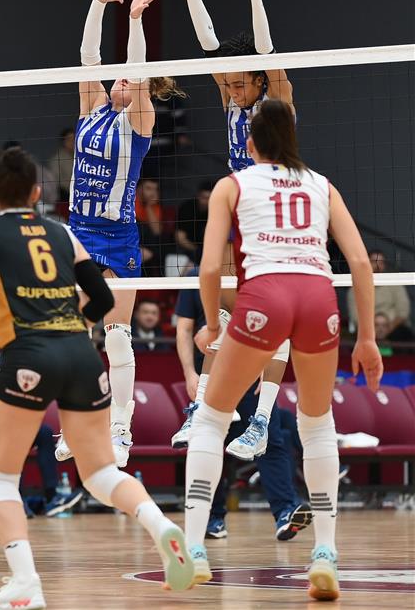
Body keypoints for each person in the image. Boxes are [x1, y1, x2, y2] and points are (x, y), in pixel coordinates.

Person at [0, 147, 192, 607]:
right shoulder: (63, 233)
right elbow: (103, 298)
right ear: (35, 192)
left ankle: (26, 582)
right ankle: (161, 525)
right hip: (80, 353)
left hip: (29, 354)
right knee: (100, 473)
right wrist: (68, 323)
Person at [182, 99, 382, 599]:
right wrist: (367, 338)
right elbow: (360, 263)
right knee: (317, 424)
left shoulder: (232, 184)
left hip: (264, 296)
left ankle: (194, 548)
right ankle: (325, 553)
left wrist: (212, 325)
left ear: (249, 144)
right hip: (318, 297)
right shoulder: (322, 185)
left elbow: (211, 268)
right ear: (293, 139)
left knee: (211, 418)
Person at [177, 0, 294, 459]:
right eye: (226, 84)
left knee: (275, 318)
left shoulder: (276, 101)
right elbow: (208, 48)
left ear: (257, 80)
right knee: (220, 313)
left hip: (274, 211)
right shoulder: (230, 94)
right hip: (236, 206)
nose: (229, 89)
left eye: (238, 84)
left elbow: (269, 56)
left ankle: (261, 420)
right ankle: (205, 409)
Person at [60, 0, 183, 467]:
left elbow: (139, 70)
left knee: (117, 333)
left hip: (118, 235)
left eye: (130, 81)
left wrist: (134, 20)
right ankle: (75, 424)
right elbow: (87, 57)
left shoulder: (139, 122)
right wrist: (98, 3)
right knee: (70, 331)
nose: (121, 81)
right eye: (119, 78)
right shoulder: (92, 107)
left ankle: (120, 430)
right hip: (78, 231)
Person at [172, 267, 315, 543]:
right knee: (209, 440)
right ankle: (212, 518)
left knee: (269, 437)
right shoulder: (197, 274)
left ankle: (285, 512)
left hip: (252, 365)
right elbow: (185, 328)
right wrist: (189, 372)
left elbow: (269, 321)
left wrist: (266, 364)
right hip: (213, 368)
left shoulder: (255, 268)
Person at [0, 312, 80, 518]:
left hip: (11, 421)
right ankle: (2, 499)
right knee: (5, 436)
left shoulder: (10, 361)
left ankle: (52, 497)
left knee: (44, 432)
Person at [347, 250, 412, 351]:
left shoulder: (396, 284)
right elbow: (355, 317)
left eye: (381, 262)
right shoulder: (355, 289)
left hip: (394, 329)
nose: (377, 265)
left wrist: (387, 328)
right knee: (352, 342)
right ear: (367, 264)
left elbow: (403, 312)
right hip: (367, 330)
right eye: (374, 261)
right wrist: (373, 329)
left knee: (405, 335)